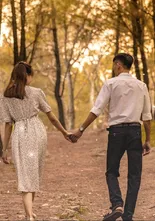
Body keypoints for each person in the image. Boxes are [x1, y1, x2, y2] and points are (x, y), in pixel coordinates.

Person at [72, 53, 152, 221]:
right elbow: (147, 117)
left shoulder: (111, 84)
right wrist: (147, 140)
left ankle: (117, 204)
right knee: (134, 175)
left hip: (116, 132)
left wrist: (81, 130)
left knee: (111, 172)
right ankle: (128, 215)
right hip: (135, 132)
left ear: (118, 65)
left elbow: (96, 110)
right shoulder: (141, 85)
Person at [0, 61, 73, 221]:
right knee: (33, 172)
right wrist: (64, 132)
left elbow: (7, 125)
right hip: (37, 132)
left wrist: (4, 149)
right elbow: (51, 117)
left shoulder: (5, 96)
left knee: (24, 175)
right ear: (27, 76)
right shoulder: (36, 92)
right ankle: (29, 215)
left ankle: (29, 214)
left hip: (19, 134)